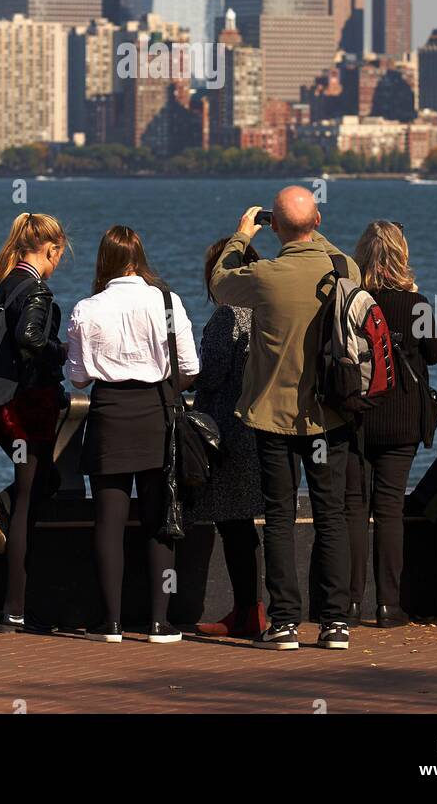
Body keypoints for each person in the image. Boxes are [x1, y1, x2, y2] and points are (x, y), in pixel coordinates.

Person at [210, 186, 358, 651]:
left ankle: (286, 623)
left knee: (278, 517)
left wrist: (241, 235)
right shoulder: (342, 270)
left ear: (274, 226)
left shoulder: (264, 276)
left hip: (272, 415)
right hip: (329, 413)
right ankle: (335, 622)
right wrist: (309, 226)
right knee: (330, 516)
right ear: (316, 221)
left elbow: (220, 282)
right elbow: (333, 252)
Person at [66, 225, 198, 645]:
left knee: (108, 522)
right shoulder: (167, 301)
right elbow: (190, 367)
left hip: (109, 413)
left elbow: (79, 378)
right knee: (161, 519)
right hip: (156, 413)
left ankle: (113, 623)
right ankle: (160, 622)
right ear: (139, 257)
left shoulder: (87, 308)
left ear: (103, 260)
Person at [344, 221, 437, 628]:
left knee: (353, 508)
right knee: (389, 511)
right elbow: (435, 353)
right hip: (402, 418)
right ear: (401, 255)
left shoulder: (351, 300)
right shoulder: (416, 303)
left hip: (357, 416)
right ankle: (388, 605)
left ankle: (348, 603)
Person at [0, 213, 68, 633]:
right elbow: (31, 340)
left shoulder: (3, 283)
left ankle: (3, 502)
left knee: (41, 482)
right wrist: (61, 352)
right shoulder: (35, 288)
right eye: (59, 254)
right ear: (51, 249)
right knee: (31, 502)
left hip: (4, 406)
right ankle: (13, 609)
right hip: (30, 407)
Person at [191, 238, 266, 640]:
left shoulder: (227, 316)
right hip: (263, 429)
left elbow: (212, 375)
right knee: (248, 522)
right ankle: (251, 609)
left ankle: (247, 611)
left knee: (234, 524)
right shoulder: (268, 312)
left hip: (228, 433)